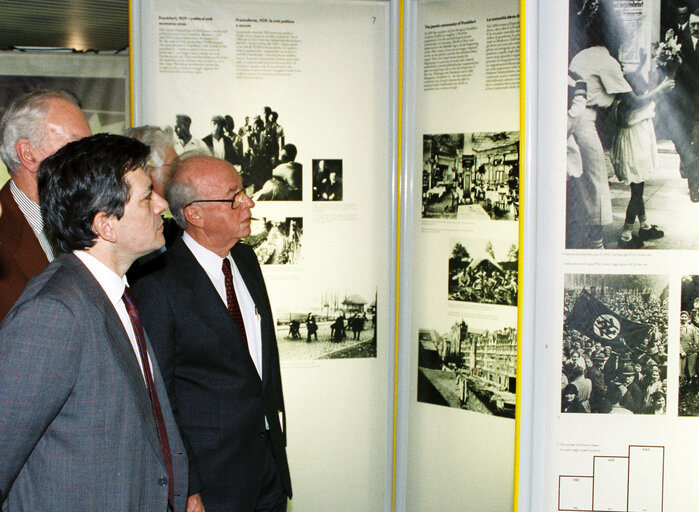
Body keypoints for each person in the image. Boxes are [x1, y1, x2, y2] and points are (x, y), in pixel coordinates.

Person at [0, 134, 188, 510]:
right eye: (148, 195)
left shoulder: (112, 295)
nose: (163, 205)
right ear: (106, 225)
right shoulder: (55, 312)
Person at [131, 155, 291, 511]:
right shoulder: (158, 285)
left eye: (244, 191)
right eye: (234, 196)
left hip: (268, 471)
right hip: (212, 484)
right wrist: (186, 486)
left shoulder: (246, 261)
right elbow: (159, 399)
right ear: (195, 214)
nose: (248, 202)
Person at [0, 89, 92, 322]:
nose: (91, 162)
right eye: (76, 147)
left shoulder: (96, 225)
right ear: (28, 155)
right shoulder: (3, 233)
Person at [123, 125, 180, 247]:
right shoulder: (133, 235)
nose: (179, 173)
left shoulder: (169, 229)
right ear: (149, 173)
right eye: (174, 166)